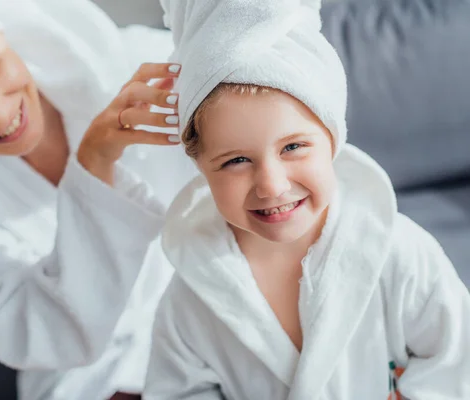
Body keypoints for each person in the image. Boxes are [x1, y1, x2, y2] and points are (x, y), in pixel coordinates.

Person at [0, 0, 197, 399]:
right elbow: (38, 335)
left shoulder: (142, 68)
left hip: (208, 321)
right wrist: (93, 168)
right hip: (87, 375)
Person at [143, 0, 470, 399]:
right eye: (236, 160)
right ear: (200, 166)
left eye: (293, 147)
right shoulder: (191, 299)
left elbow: (454, 362)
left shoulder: (400, 255)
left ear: (333, 138)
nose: (272, 185)